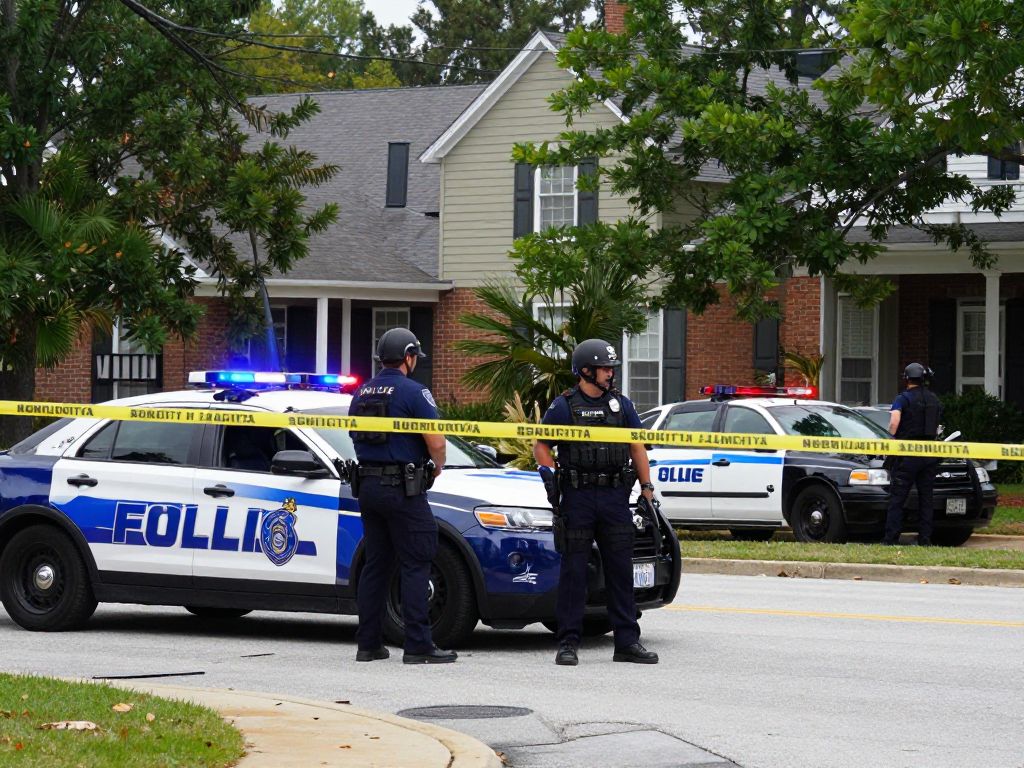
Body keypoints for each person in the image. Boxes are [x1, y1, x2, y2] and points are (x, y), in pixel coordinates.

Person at [533, 338, 660, 666]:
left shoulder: (622, 405)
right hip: (578, 498)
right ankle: (568, 642)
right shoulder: (564, 406)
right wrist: (549, 476)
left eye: (611, 368)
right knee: (574, 571)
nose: (610, 373)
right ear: (585, 370)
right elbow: (541, 446)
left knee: (620, 569)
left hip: (615, 496)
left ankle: (627, 642)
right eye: (604, 368)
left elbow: (637, 447)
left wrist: (646, 488)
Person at [348, 327, 454, 664]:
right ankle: (418, 645)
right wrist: (436, 468)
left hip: (368, 487)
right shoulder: (414, 392)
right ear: (408, 357)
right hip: (403, 489)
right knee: (416, 561)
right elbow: (436, 441)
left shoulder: (361, 392)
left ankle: (368, 644)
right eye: (414, 357)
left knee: (376, 565)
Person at [884, 362, 943, 546]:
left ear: (907, 379)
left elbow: (894, 423)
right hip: (929, 454)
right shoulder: (934, 399)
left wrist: (891, 436)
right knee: (926, 498)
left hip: (907, 455)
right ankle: (925, 539)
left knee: (898, 498)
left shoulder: (903, 398)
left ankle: (891, 539)